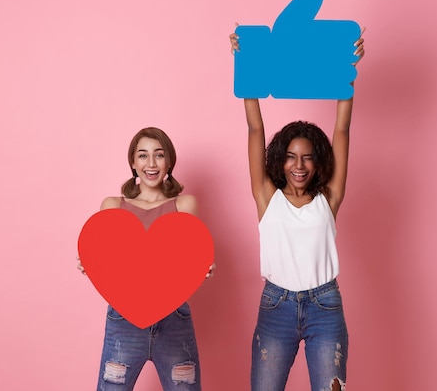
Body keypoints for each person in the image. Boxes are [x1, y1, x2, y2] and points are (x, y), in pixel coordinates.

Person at [230, 29, 365, 391]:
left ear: (319, 162)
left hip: (326, 305)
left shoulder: (329, 199)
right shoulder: (266, 197)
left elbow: (343, 128)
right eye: (291, 157)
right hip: (277, 306)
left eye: (307, 157)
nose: (299, 165)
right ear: (279, 160)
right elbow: (255, 127)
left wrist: (348, 70)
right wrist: (245, 63)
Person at [78, 127, 206, 391]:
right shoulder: (113, 206)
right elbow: (110, 264)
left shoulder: (185, 205)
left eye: (159, 155)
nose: (151, 163)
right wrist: (92, 263)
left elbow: (186, 259)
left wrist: (200, 264)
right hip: (123, 320)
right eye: (143, 155)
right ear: (133, 163)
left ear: (169, 161)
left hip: (174, 319)